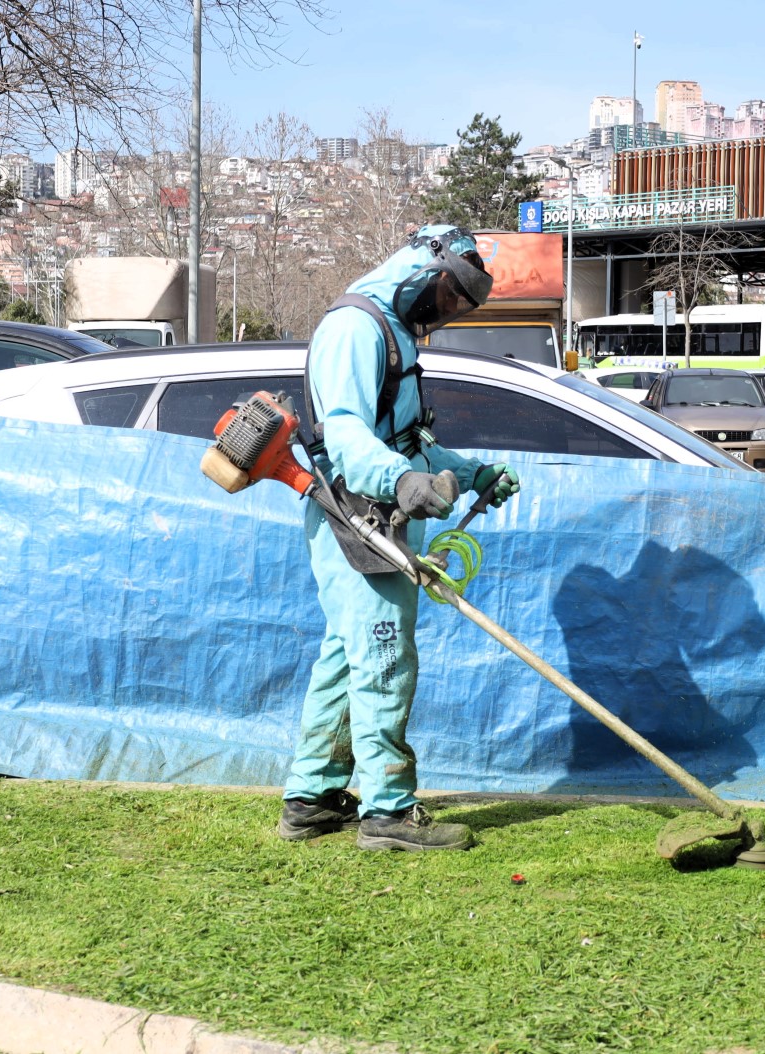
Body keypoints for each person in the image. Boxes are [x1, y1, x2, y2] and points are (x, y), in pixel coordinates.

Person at [278, 225, 521, 851]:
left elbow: (411, 439)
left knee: (347, 652)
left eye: (456, 307)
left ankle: (311, 797)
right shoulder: (356, 327)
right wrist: (400, 481)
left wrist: (468, 475)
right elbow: (349, 437)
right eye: (446, 296)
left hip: (374, 505)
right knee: (384, 655)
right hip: (354, 511)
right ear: (422, 264)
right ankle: (387, 812)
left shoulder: (392, 329)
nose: (443, 313)